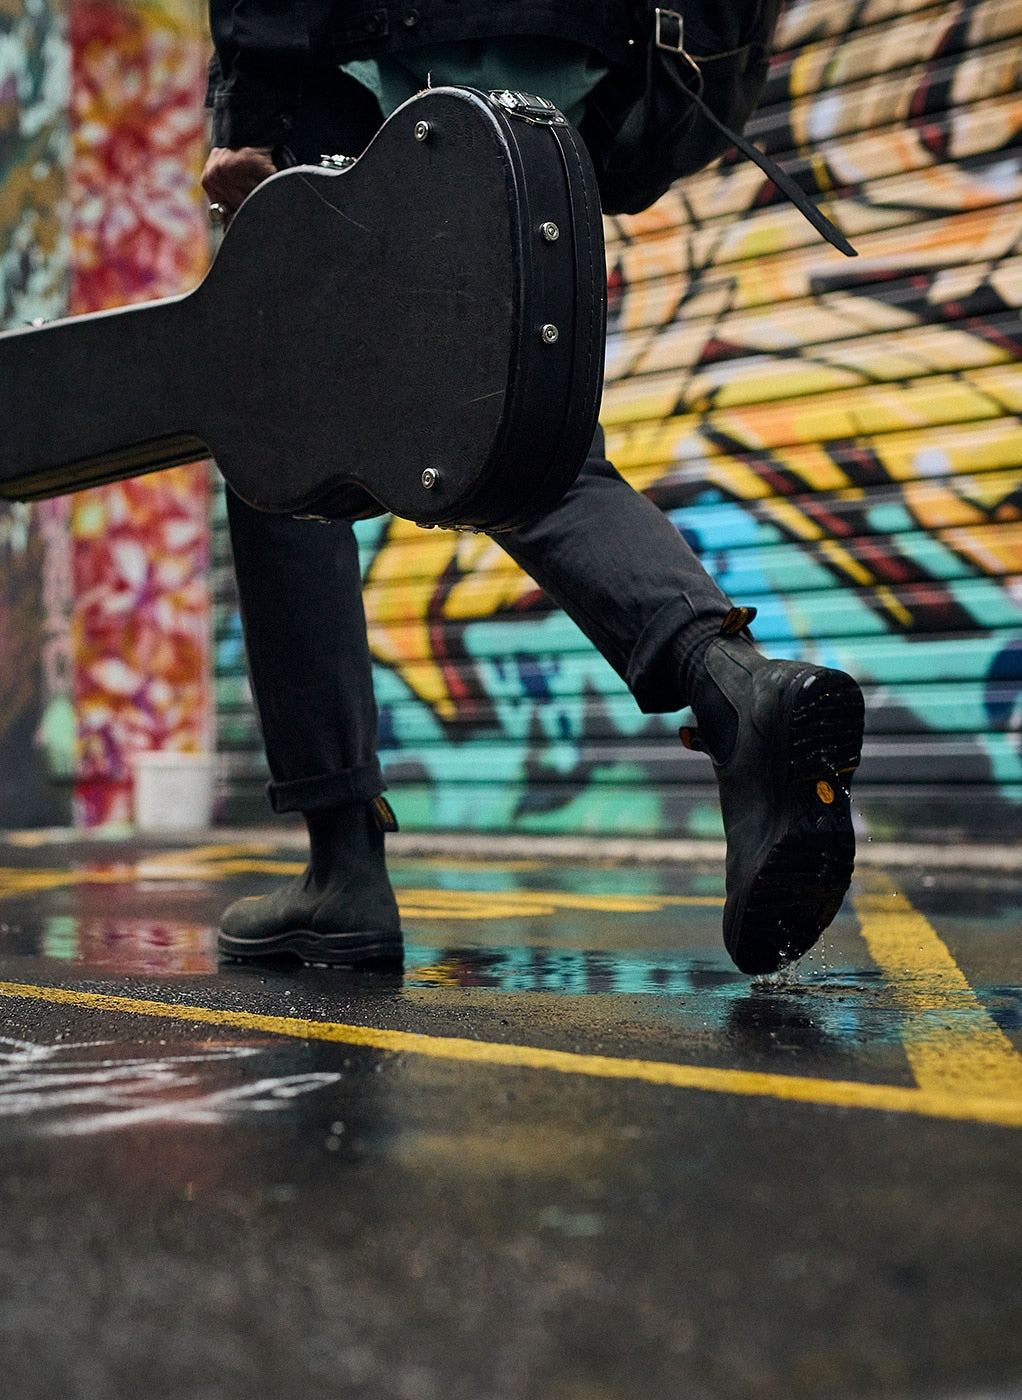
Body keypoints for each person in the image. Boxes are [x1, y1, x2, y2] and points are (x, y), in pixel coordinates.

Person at [201, 0, 865, 977]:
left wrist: (249, 116)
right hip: (565, 65)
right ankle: (736, 689)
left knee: (282, 440)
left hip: (366, 55)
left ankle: (341, 863)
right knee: (524, 437)